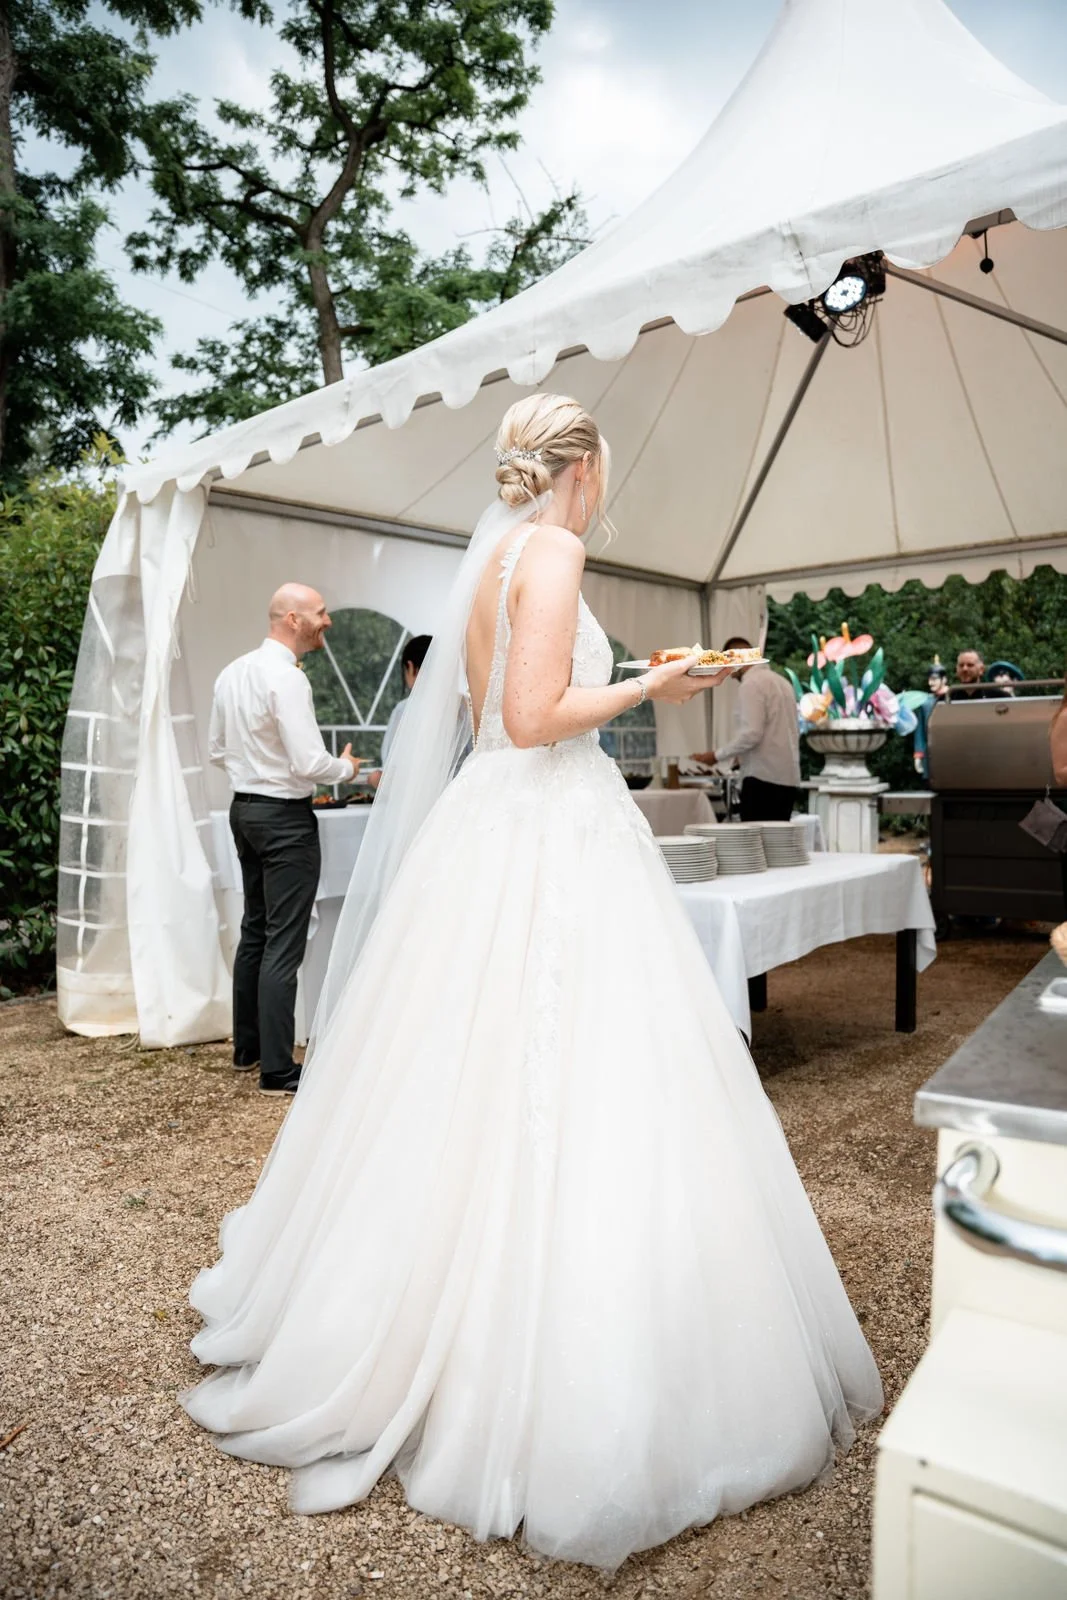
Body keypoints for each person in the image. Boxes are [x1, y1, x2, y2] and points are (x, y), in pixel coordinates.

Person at [183, 395, 881, 1569]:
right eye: (603, 464)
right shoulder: (551, 550)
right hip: (551, 823)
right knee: (581, 1063)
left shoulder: (496, 558)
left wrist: (641, 676)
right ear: (581, 466)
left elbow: (495, 708)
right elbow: (532, 713)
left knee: (457, 1067)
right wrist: (649, 689)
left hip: (491, 820)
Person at [209, 584, 360, 1096]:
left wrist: (253, 773)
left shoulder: (232, 673)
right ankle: (277, 1069)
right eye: (321, 613)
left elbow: (215, 749)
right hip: (284, 820)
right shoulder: (288, 679)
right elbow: (310, 763)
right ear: (293, 619)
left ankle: (248, 1049)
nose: (327, 621)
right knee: (283, 940)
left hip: (244, 811)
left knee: (255, 928)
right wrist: (348, 768)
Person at [691, 638, 801, 821]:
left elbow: (752, 734)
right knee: (779, 836)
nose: (727, 671)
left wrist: (716, 756)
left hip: (762, 778)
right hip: (788, 777)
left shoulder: (751, 684)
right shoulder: (783, 683)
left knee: (755, 837)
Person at [368, 633, 432, 789]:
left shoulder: (404, 710)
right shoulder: (464, 708)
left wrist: (374, 778)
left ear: (410, 667)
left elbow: (390, 771)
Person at [912, 656, 950, 778]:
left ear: (944, 679)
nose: (930, 683)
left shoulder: (955, 697)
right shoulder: (925, 702)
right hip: (931, 751)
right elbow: (920, 732)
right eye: (929, 679)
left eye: (934, 679)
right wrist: (918, 755)